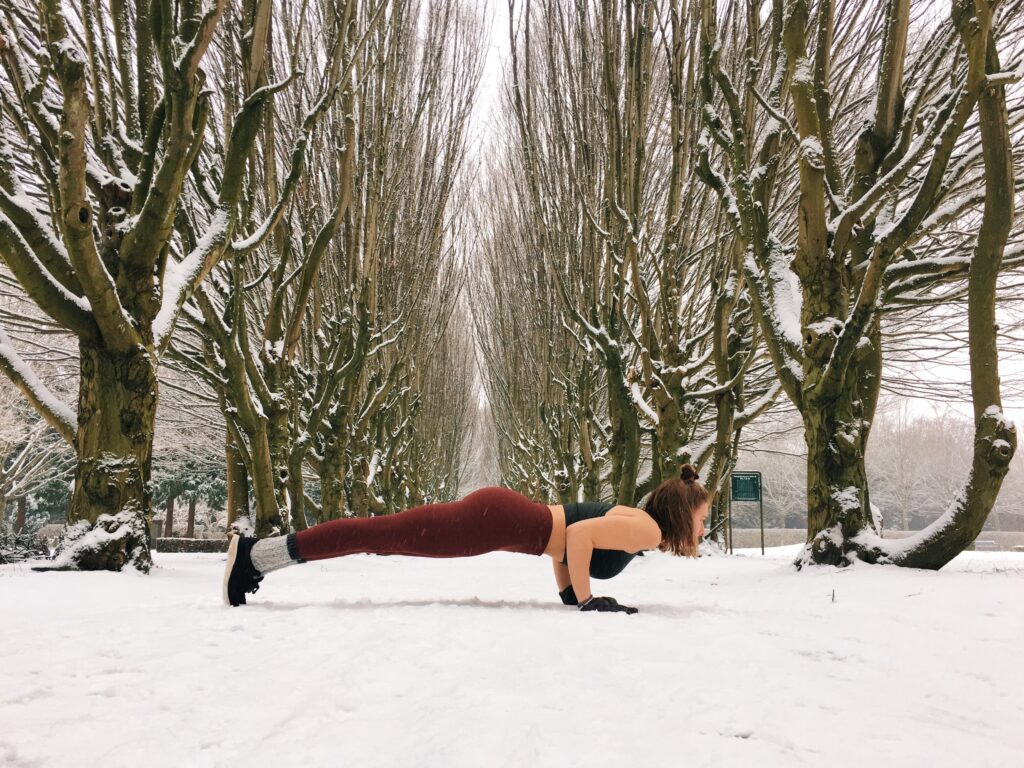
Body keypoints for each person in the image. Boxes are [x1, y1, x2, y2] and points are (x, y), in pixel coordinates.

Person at [223, 463, 709, 613]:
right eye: (703, 519)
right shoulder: (645, 528)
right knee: (383, 534)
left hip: (505, 519)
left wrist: (568, 591)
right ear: (682, 515)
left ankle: (260, 557)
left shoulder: (640, 526)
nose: (703, 530)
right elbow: (578, 536)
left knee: (385, 535)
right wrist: (586, 600)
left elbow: (567, 543)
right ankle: (257, 556)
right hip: (498, 519)